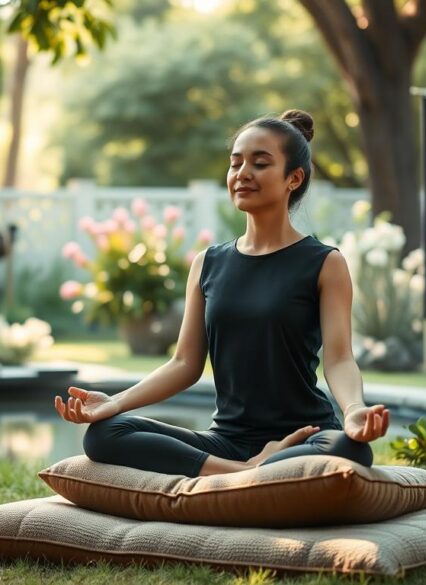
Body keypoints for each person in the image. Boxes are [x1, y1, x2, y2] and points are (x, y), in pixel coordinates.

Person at [54, 109, 390, 477]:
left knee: (346, 449)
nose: (242, 173)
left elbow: (339, 359)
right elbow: (184, 364)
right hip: (226, 440)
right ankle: (242, 472)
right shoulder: (208, 263)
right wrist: (114, 403)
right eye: (236, 163)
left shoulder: (325, 263)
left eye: (260, 163)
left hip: (303, 436)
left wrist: (354, 409)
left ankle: (238, 472)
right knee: (106, 434)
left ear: (293, 178)